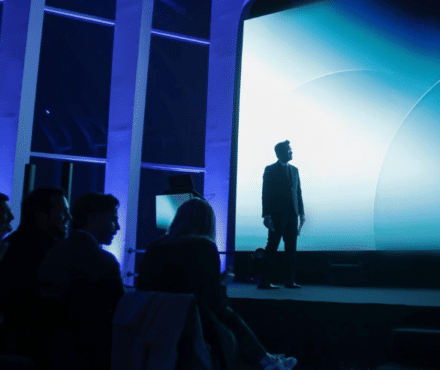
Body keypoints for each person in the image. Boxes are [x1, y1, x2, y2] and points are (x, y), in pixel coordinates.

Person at [137, 198, 297, 370]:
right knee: (229, 315)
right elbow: (215, 302)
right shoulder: (203, 247)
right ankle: (267, 361)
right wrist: (222, 285)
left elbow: (155, 285)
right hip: (189, 321)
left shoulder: (155, 247)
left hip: (150, 319)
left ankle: (267, 359)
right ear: (207, 222)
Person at [37, 192, 125, 370]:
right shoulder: (103, 261)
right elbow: (119, 311)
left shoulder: (55, 251)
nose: (117, 227)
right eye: (113, 219)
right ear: (94, 219)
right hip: (90, 354)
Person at [0, 187, 71, 358]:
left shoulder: (8, 246)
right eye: (62, 212)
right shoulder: (58, 253)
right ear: (41, 215)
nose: (68, 217)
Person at [259, 141, 305, 290]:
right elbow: (266, 193)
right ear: (280, 153)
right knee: (272, 246)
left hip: (292, 215)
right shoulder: (270, 170)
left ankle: (290, 280)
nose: (292, 153)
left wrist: (302, 213)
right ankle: (265, 281)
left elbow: (298, 193)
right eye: (289, 151)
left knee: (291, 249)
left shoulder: (295, 170)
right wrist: (266, 215)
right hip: (277, 215)